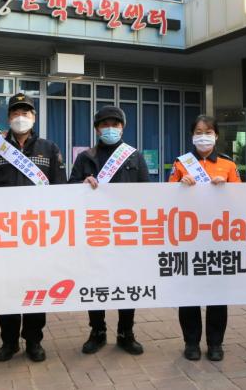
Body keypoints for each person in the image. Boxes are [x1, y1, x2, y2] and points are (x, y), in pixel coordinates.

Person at [0, 93, 66, 363]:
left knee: (35, 289)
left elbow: (60, 190)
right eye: (16, 113)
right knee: (6, 290)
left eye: (25, 113)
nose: (21, 117)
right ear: (8, 118)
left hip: (37, 234)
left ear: (34, 117)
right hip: (4, 235)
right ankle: (9, 342)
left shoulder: (49, 149)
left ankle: (33, 341)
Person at [69, 105, 149, 356]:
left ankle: (126, 332)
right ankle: (97, 331)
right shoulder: (85, 157)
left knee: (127, 282)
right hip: (96, 231)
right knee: (95, 282)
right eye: (105, 124)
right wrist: (81, 184)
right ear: (97, 129)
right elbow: (69, 188)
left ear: (122, 128)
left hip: (126, 232)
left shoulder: (134, 156)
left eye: (115, 124)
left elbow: (146, 192)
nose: (110, 128)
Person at [167, 115, 240, 361]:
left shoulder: (228, 164)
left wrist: (227, 189)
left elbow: (243, 198)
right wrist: (180, 185)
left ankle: (215, 343)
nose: (203, 136)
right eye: (198, 132)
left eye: (208, 132)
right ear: (192, 136)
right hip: (188, 237)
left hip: (219, 237)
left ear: (216, 135)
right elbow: (166, 197)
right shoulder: (181, 163)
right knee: (189, 293)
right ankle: (191, 343)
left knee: (217, 294)